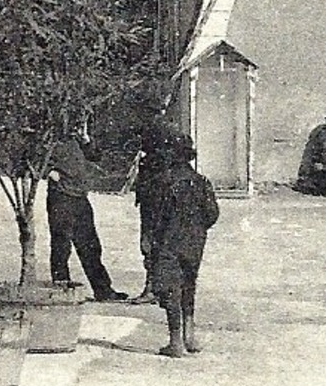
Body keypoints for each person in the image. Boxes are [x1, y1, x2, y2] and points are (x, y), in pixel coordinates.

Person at [148, 137, 220, 358]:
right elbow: (212, 214)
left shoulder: (164, 182)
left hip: (169, 241)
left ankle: (175, 342)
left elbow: (157, 217)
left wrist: (152, 239)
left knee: (170, 288)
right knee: (189, 284)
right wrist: (197, 229)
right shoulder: (202, 181)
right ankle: (190, 336)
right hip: (195, 242)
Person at [45, 131, 128, 303]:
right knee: (62, 245)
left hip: (80, 196)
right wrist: (48, 171)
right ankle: (62, 289)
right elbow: (31, 157)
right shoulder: (50, 134)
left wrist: (86, 140)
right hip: (61, 196)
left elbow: (95, 156)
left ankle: (103, 290)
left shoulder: (76, 138)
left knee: (91, 246)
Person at [129, 115, 182, 304]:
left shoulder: (155, 162)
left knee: (151, 245)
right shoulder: (165, 159)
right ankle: (161, 289)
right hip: (157, 205)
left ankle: (153, 289)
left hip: (155, 206)